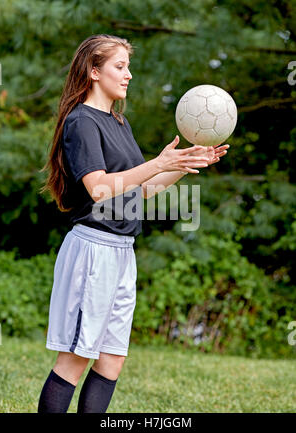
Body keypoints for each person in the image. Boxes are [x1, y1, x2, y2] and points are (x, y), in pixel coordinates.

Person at [38, 34, 229, 413]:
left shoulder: (119, 123)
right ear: (94, 71)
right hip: (92, 251)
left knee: (111, 360)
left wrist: (183, 165)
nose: (128, 75)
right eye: (119, 66)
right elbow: (99, 189)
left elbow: (139, 191)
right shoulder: (81, 122)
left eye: (128, 67)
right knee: (75, 360)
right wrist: (157, 162)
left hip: (123, 253)